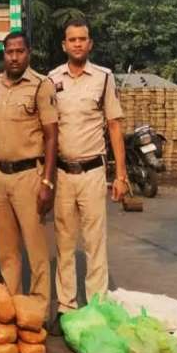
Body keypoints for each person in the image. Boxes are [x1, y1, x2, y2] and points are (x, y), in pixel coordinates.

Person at [48, 17, 128, 333]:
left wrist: (121, 175)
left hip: (93, 172)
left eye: (82, 39)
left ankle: (97, 308)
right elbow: (48, 129)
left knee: (95, 244)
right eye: (72, 39)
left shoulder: (104, 78)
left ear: (90, 44)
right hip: (63, 174)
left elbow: (115, 126)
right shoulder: (52, 80)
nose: (78, 44)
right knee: (64, 244)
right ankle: (66, 308)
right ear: (64, 45)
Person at [0, 31, 58, 310]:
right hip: (0, 178)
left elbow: (51, 137)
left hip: (28, 176)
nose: (14, 57)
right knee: (7, 251)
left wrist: (47, 182)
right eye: (9, 52)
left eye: (19, 51)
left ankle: (39, 311)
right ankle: (14, 308)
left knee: (36, 249)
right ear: (4, 54)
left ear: (28, 53)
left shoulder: (41, 86)